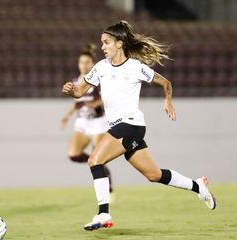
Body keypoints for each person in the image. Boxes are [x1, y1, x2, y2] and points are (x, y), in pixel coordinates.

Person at [62, 20, 216, 231]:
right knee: (154, 175)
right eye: (102, 43)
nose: (103, 47)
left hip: (131, 125)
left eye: (106, 42)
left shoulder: (135, 68)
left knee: (94, 160)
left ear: (119, 43)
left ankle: (103, 213)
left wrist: (167, 99)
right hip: (121, 127)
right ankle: (199, 186)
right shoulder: (101, 68)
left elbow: (165, 83)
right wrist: (72, 90)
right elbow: (79, 92)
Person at [61, 44, 113, 193]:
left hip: (99, 122)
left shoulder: (99, 80)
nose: (83, 65)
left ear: (92, 64)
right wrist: (66, 115)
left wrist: (95, 103)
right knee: (73, 154)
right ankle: (99, 166)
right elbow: (77, 103)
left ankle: (106, 189)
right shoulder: (75, 81)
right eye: (81, 62)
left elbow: (107, 98)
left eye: (87, 62)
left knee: (98, 158)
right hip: (82, 122)